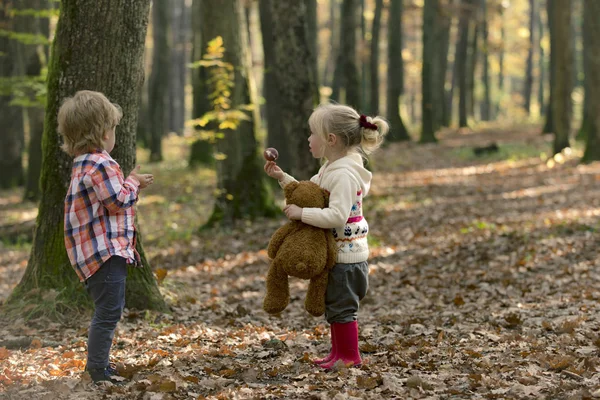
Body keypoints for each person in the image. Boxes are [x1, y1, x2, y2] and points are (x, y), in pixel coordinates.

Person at [264, 103, 388, 369]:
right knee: (334, 306)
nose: (309, 139)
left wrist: (301, 214)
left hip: (347, 256)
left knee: (343, 309)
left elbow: (336, 216)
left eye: (312, 133)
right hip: (337, 253)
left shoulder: (343, 175)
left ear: (331, 140)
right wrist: (282, 177)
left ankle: (349, 357)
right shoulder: (331, 168)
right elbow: (308, 191)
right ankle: (338, 353)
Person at [59, 90, 154, 384]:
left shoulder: (82, 163)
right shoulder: (101, 163)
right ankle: (97, 369)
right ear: (102, 134)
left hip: (92, 253)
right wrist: (134, 182)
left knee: (108, 308)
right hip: (105, 252)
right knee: (109, 311)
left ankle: (100, 365)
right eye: (112, 130)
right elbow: (117, 201)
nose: (114, 136)